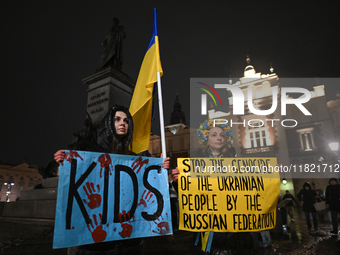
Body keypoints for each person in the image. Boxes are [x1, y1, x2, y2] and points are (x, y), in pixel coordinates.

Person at [54, 105, 169, 255]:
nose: (122, 123)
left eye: (126, 121)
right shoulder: (92, 154)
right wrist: (63, 161)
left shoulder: (136, 159)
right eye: (117, 119)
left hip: (130, 243)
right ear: (109, 124)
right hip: (98, 247)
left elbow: (146, 189)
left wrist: (160, 169)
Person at [172, 119, 256, 254]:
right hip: (209, 231)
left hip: (236, 233)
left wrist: (270, 174)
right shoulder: (194, 165)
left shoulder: (237, 164)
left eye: (222, 135)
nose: (219, 138)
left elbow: (249, 190)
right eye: (214, 135)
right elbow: (189, 195)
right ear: (205, 139)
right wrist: (178, 181)